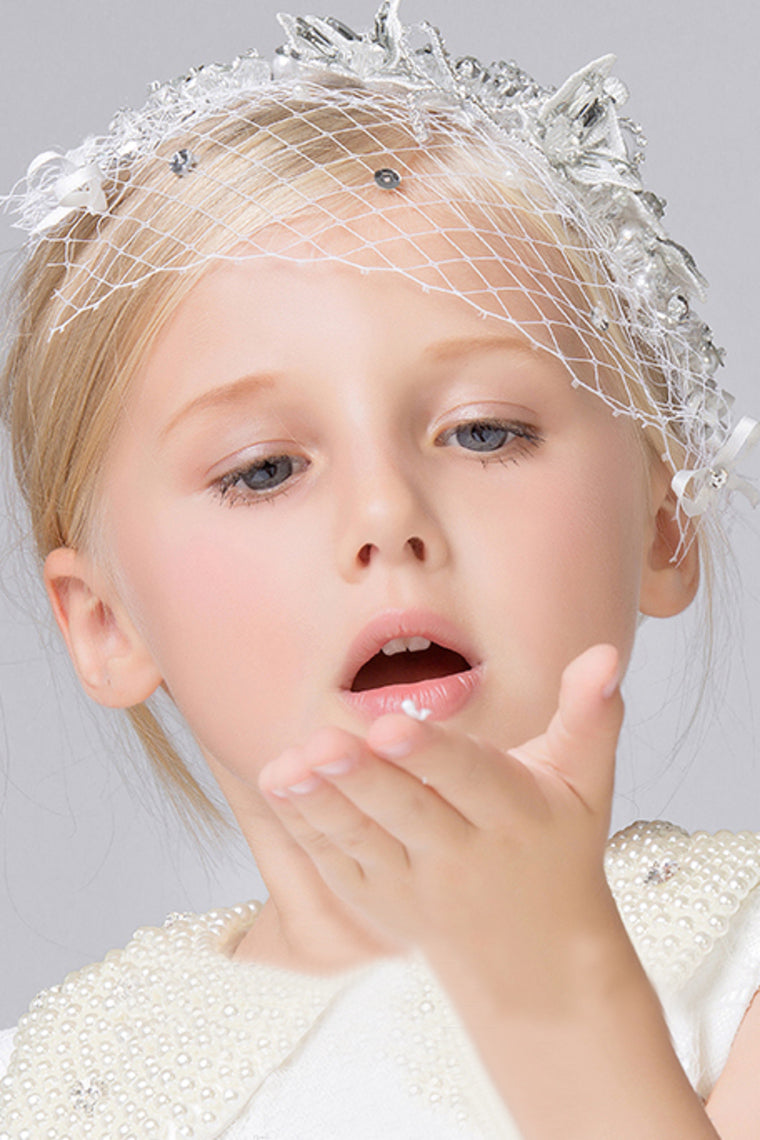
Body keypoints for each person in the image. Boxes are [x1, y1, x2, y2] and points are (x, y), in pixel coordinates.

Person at [1, 2, 760, 1136]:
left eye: (484, 431)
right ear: (107, 623)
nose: (386, 517)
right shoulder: (60, 1073)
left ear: (664, 519)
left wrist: (552, 990)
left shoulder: (736, 962)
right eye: (263, 470)